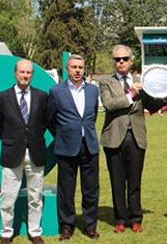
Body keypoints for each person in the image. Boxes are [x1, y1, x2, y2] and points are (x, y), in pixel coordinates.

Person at [98, 45, 167, 233]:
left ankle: (136, 218)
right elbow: (110, 105)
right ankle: (120, 219)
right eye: (117, 59)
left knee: (135, 181)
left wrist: (166, 94)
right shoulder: (106, 83)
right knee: (117, 181)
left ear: (131, 60)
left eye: (124, 59)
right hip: (114, 138)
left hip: (136, 137)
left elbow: (152, 105)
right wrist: (131, 94)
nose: (120, 62)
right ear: (113, 62)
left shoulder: (141, 81)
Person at [0, 59, 48, 244]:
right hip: (11, 153)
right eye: (22, 72)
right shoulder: (3, 97)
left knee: (35, 196)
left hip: (36, 152)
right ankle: (6, 233)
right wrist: (11, 141)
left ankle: (34, 231)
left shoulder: (41, 96)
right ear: (15, 73)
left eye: (29, 73)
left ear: (32, 74)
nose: (25, 76)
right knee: (8, 197)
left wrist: (32, 139)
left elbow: (45, 122)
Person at [47, 54, 100, 240]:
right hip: (66, 147)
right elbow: (50, 119)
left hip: (90, 146)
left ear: (84, 69)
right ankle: (67, 226)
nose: (77, 70)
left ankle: (90, 225)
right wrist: (63, 134)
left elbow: (92, 116)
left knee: (91, 190)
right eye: (74, 67)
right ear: (67, 69)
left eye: (80, 67)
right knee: (66, 191)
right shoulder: (55, 91)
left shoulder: (93, 91)